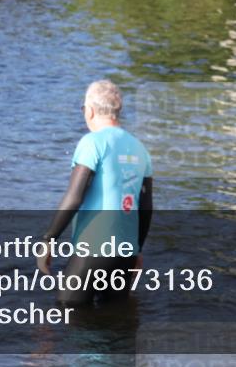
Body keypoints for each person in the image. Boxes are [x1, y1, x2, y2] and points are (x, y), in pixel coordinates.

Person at [37, 80, 153, 305]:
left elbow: (74, 197)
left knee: (67, 311)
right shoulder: (141, 149)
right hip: (126, 252)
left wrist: (48, 239)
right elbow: (146, 207)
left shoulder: (92, 143)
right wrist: (137, 250)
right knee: (115, 323)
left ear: (89, 111)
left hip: (93, 249)